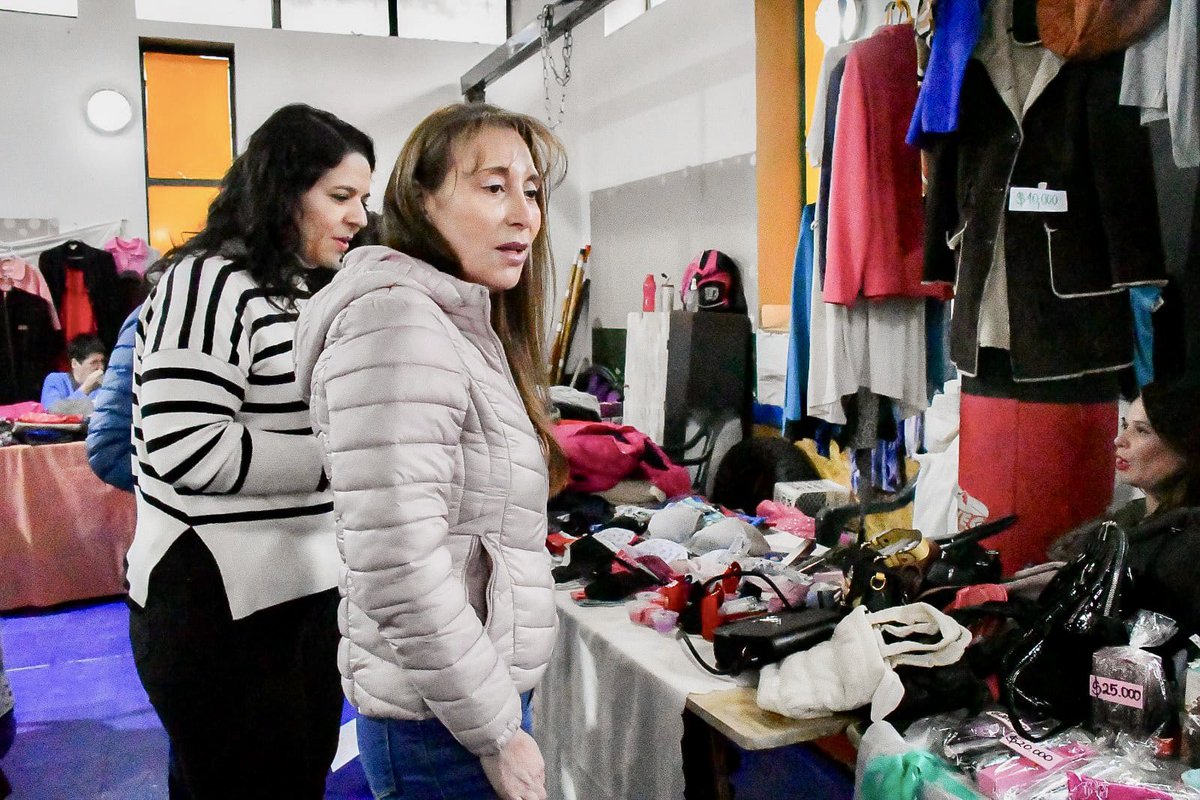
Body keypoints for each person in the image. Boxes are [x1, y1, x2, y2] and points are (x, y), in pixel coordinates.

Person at [294, 102, 568, 800]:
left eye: (532, 190)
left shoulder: (455, 317)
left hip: (463, 700)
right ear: (421, 198)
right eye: (493, 186)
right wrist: (497, 731)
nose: (524, 215)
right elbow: (395, 562)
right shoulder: (397, 318)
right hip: (444, 721)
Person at [128, 103, 373, 799]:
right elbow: (186, 446)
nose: (358, 215)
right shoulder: (209, 281)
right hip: (216, 603)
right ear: (282, 190)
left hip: (294, 595)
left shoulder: (298, 289)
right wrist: (347, 456)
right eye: (340, 196)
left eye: (363, 197)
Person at [39, 334, 106, 409]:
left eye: (102, 362)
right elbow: (54, 410)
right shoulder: (55, 380)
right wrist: (86, 388)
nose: (101, 368)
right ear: (74, 363)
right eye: (94, 362)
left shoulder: (102, 385)